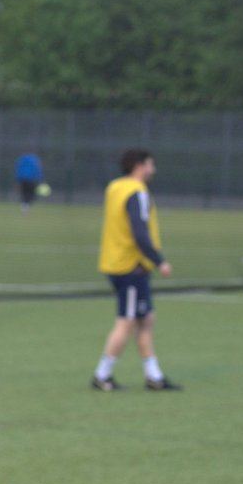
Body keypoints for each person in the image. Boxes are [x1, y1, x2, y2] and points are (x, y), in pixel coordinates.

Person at [91, 148, 180, 391]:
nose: (154, 169)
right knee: (127, 321)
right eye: (151, 164)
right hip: (130, 266)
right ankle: (102, 376)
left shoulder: (115, 187)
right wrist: (159, 260)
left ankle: (154, 376)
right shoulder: (137, 192)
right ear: (140, 166)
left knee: (146, 318)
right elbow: (139, 231)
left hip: (115, 261)